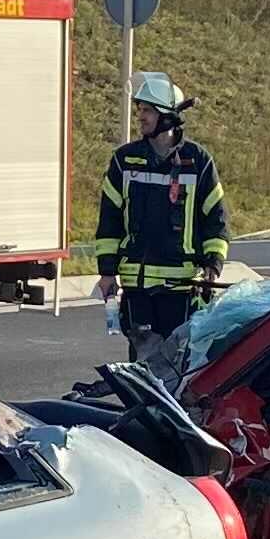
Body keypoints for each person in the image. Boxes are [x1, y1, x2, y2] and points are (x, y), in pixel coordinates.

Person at [96, 70, 229, 376]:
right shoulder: (124, 160)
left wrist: (213, 263)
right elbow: (109, 219)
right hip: (136, 287)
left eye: (147, 111)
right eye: (139, 110)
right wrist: (106, 271)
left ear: (168, 117)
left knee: (177, 366)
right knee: (141, 366)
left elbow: (215, 218)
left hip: (180, 290)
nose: (140, 117)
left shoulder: (198, 161)